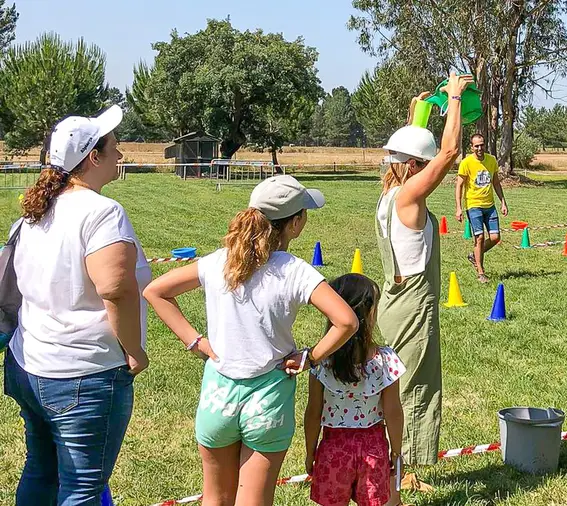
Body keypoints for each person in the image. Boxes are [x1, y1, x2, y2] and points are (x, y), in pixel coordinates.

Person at [142, 175, 358, 506]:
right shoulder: (296, 271)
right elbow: (346, 321)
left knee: (215, 497)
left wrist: (195, 341)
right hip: (268, 398)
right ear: (296, 224)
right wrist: (310, 357)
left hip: (218, 395)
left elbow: (155, 291)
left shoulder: (218, 261)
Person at [3, 105, 152, 505]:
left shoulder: (36, 211)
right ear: (94, 157)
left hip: (29, 364)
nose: (120, 155)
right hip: (83, 373)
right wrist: (134, 352)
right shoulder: (102, 212)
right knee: (83, 488)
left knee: (41, 471)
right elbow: (115, 288)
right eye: (114, 147)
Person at [376, 72, 473, 473]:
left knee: (397, 385)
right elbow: (449, 153)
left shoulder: (389, 193)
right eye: (423, 163)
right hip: (414, 302)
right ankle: (406, 472)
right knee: (416, 389)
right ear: (416, 166)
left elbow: (411, 151)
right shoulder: (411, 195)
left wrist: (421, 114)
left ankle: (394, 467)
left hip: (391, 300)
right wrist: (452, 98)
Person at [305, 274, 405, 506]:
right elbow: (393, 411)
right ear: (370, 313)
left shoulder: (320, 362)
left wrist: (310, 451)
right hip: (374, 448)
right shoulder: (386, 360)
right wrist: (397, 452)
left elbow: (313, 413)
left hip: (333, 449)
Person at [455, 133, 508, 283]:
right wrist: (458, 208)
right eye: (476, 145)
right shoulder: (466, 163)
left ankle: (474, 255)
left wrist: (503, 202)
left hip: (489, 206)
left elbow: (496, 183)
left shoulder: (491, 161)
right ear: (472, 147)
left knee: (495, 238)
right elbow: (459, 185)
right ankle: (481, 272)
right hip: (473, 206)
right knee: (479, 238)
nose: (480, 148)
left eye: (482, 145)